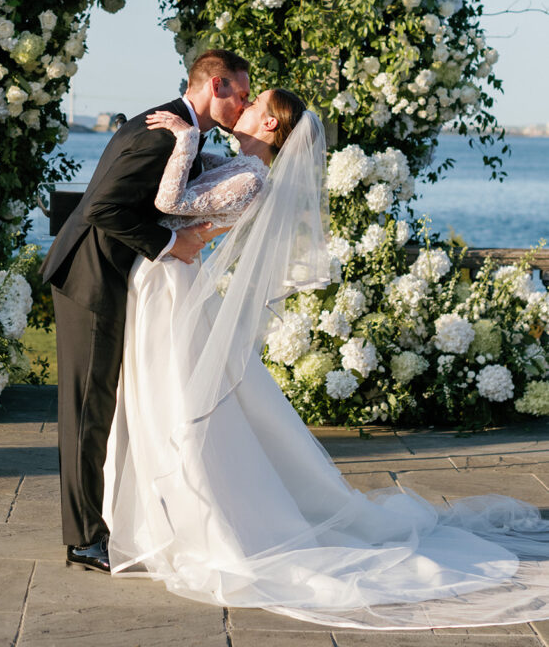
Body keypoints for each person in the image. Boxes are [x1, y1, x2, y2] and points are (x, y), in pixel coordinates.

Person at [102, 89, 549, 631]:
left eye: (251, 102)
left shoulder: (250, 176)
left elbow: (170, 203)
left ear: (268, 122)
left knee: (175, 397)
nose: (239, 106)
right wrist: (183, 144)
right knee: (166, 394)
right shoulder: (241, 165)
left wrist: (185, 134)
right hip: (169, 278)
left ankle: (203, 517)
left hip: (173, 282)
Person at [40, 49, 251, 573]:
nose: (243, 105)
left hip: (111, 277)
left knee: (103, 408)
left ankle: (104, 522)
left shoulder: (181, 131)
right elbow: (101, 207)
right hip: (90, 278)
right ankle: (84, 539)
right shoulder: (161, 132)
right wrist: (169, 246)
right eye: (242, 94)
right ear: (216, 84)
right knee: (88, 411)